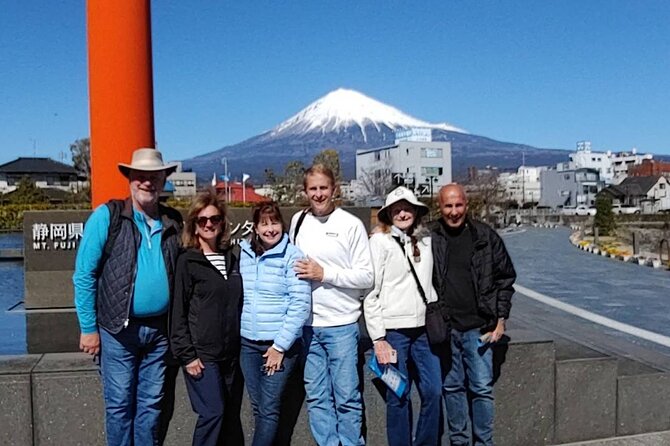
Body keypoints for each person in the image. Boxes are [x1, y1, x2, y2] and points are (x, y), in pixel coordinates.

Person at [73, 148, 182, 446]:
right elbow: (84, 275)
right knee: (120, 406)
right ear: (130, 180)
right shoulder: (108, 217)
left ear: (164, 179)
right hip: (117, 331)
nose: (147, 183)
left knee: (151, 407)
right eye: (141, 177)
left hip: (160, 333)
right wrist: (88, 328)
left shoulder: (173, 222)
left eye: (154, 177)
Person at [290, 164, 374, 446]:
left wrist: (324, 273)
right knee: (317, 397)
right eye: (312, 189)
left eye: (323, 188)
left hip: (341, 325)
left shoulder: (350, 224)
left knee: (347, 396)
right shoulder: (298, 221)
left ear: (334, 189)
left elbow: (366, 275)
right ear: (305, 191)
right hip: (307, 326)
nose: (318, 194)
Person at [432, 183, 516, 446]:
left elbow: (505, 278)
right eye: (448, 206)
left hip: (479, 329)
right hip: (446, 329)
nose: (454, 211)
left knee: (481, 389)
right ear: (440, 207)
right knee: (452, 388)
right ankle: (459, 442)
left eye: (458, 205)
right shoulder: (431, 238)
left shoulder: (485, 236)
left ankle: (484, 443)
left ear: (466, 205)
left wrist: (500, 319)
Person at [364, 186, 442, 446]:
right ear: (388, 215)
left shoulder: (427, 239)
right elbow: (371, 293)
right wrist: (378, 338)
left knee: (433, 391)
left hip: (424, 329)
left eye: (407, 208)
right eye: (396, 210)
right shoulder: (379, 242)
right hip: (394, 331)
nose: (402, 213)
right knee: (398, 394)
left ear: (416, 212)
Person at [170, 188, 244, 446]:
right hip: (202, 356)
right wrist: (187, 354)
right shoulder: (188, 262)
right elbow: (178, 312)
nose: (209, 224)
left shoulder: (232, 258)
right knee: (213, 413)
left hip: (232, 354)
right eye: (202, 220)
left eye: (215, 219)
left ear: (223, 222)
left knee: (230, 418)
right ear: (194, 225)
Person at [239, 201, 311, 445]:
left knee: (269, 408)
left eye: (275, 222)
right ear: (255, 228)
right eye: (264, 223)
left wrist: (279, 347)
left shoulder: (294, 256)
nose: (270, 229)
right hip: (248, 344)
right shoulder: (245, 254)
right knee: (259, 408)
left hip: (279, 346)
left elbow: (300, 305)